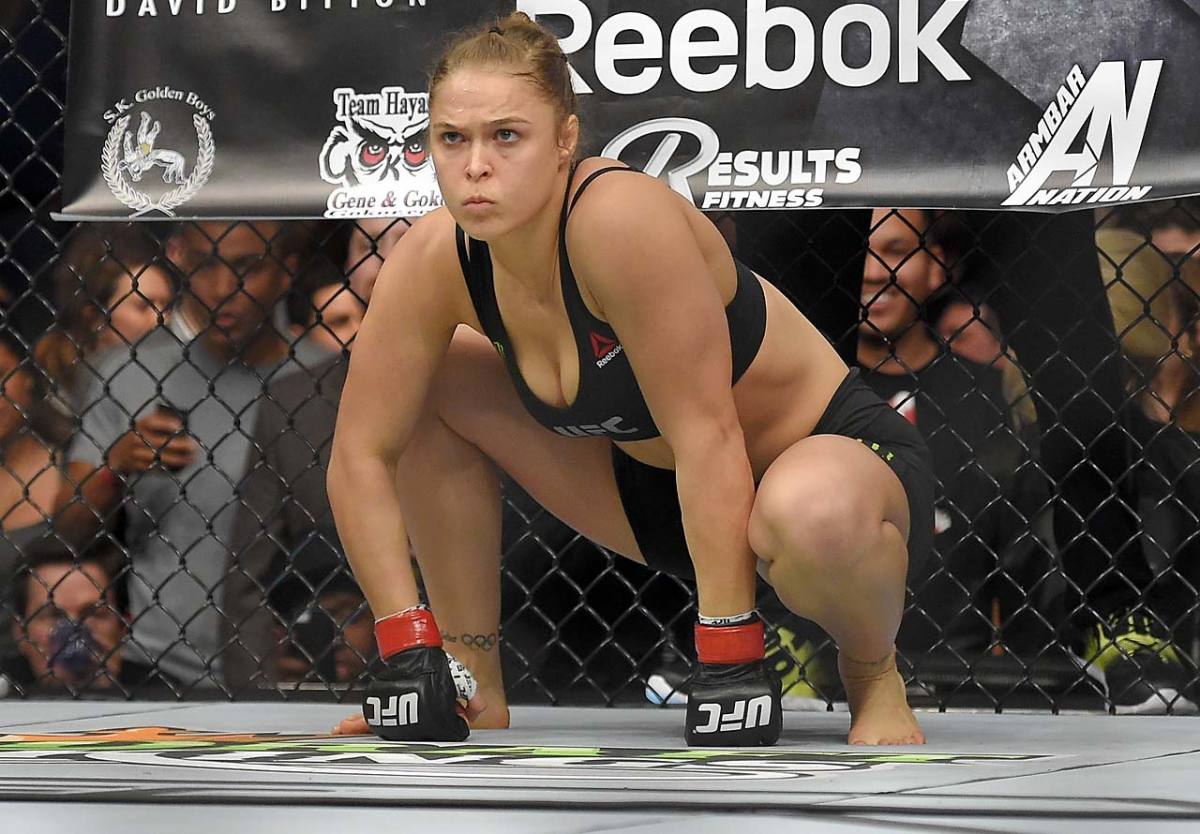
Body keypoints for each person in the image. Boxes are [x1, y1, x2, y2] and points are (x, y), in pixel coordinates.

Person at [326, 13, 935, 746]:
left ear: (565, 141)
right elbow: (359, 454)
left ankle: (872, 669)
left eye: (506, 136)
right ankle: (470, 677)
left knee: (809, 512)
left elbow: (710, 437)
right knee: (429, 379)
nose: (476, 165)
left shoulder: (619, 221)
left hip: (833, 482)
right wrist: (406, 646)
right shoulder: (433, 259)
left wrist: (728, 654)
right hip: (661, 496)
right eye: (453, 139)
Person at [56, 221, 320, 691]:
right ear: (180, 262)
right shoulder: (131, 374)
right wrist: (114, 466)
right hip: (159, 664)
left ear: (286, 269)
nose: (222, 288)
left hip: (299, 660)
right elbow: (65, 529)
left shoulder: (327, 379)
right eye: (204, 264)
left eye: (247, 267)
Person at [222, 217, 410, 690]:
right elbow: (247, 578)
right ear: (349, 266)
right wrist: (263, 698)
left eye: (408, 238)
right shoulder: (292, 403)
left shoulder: (505, 381)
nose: (387, 261)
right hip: (332, 676)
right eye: (368, 245)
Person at [35, 223, 176, 410]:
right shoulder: (53, 400)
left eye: (166, 306)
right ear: (95, 317)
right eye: (143, 306)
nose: (163, 319)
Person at [2, 540, 141, 695]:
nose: (75, 631)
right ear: (20, 632)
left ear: (124, 628)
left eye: (92, 614)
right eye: (54, 616)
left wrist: (103, 687)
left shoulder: (156, 692)